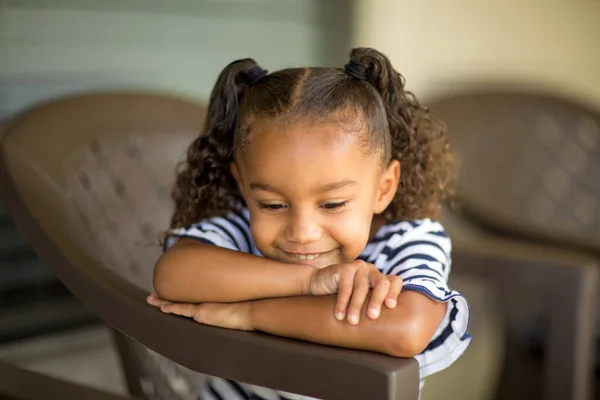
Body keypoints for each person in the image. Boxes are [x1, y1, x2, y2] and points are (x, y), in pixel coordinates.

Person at [147, 47, 471, 399]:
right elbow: (173, 274)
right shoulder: (240, 231)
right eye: (272, 204)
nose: (302, 233)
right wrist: (312, 280)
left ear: (384, 188)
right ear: (242, 184)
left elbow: (405, 328)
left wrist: (250, 314)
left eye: (332, 204)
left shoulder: (407, 240)